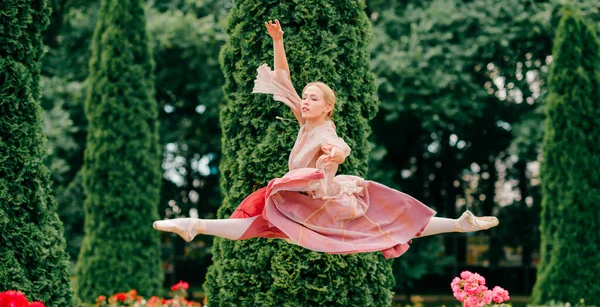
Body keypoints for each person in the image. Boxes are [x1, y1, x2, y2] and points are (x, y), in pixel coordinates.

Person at [153, 20, 498, 259]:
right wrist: (278, 41)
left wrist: (333, 156)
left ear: (328, 108)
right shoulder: (304, 122)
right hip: (299, 200)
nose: (305, 100)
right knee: (254, 226)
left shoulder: (325, 130)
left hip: (326, 205)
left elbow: (338, 146)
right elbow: (284, 79)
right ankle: (192, 225)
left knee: (390, 227)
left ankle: (456, 223)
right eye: (305, 96)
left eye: (313, 97)